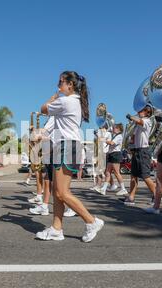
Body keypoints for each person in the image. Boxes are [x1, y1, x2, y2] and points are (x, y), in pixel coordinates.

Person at [35, 71, 104, 242]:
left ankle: (91, 221)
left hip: (67, 145)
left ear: (70, 85)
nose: (58, 85)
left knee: (63, 193)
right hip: (65, 145)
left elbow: (42, 109)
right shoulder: (74, 101)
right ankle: (56, 229)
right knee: (58, 192)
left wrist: (52, 98)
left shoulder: (65, 101)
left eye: (61, 82)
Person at [123, 105, 156, 206]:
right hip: (137, 151)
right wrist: (130, 145)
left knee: (145, 176)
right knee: (133, 175)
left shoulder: (147, 121)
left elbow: (140, 121)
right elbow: (133, 137)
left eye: (142, 111)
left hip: (143, 151)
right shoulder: (137, 124)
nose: (139, 111)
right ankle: (131, 197)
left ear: (147, 112)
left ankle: (157, 195)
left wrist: (130, 117)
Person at [99, 123, 128, 196]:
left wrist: (103, 140)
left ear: (118, 129)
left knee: (116, 172)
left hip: (116, 154)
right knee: (107, 172)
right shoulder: (115, 136)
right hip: (111, 154)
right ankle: (104, 189)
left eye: (114, 128)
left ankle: (123, 189)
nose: (113, 129)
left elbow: (112, 143)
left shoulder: (119, 136)